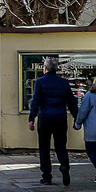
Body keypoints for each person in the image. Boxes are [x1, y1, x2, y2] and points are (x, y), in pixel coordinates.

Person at [28, 56, 78, 185]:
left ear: (45, 68)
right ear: (57, 69)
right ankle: (65, 166)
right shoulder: (64, 83)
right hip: (60, 118)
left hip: (45, 118)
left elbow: (36, 101)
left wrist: (31, 118)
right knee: (61, 145)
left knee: (44, 147)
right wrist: (76, 118)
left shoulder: (40, 82)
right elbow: (71, 102)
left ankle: (46, 176)